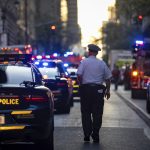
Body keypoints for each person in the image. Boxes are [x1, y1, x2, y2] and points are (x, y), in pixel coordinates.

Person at [77, 44, 112, 143]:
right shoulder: (102, 64)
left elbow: (79, 75)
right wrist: (108, 91)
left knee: (86, 113)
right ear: (96, 53)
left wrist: (81, 84)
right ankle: (95, 134)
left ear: (89, 52)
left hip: (86, 90)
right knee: (97, 113)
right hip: (98, 91)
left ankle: (87, 135)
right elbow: (108, 79)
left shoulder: (84, 62)